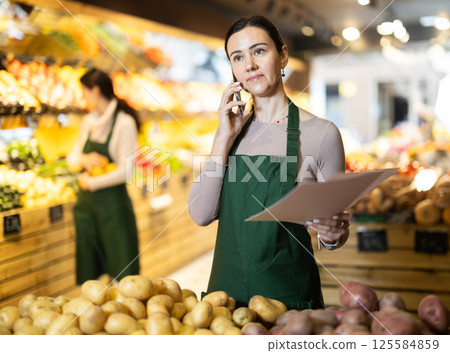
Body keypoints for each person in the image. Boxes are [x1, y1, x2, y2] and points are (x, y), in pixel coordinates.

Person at [188, 15, 351, 310]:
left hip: (290, 303)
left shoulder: (322, 134)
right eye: (237, 57)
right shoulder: (229, 133)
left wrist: (333, 235)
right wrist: (222, 139)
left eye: (259, 51)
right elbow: (200, 214)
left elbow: (334, 230)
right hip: (226, 303)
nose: (248, 64)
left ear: (283, 55)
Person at [67, 68, 140, 284]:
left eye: (84, 92)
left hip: (113, 210)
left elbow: (126, 170)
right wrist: (83, 159)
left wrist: (92, 182)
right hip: (87, 209)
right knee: (92, 275)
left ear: (95, 91)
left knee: (123, 275)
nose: (83, 98)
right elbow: (72, 158)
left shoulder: (124, 123)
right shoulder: (89, 121)